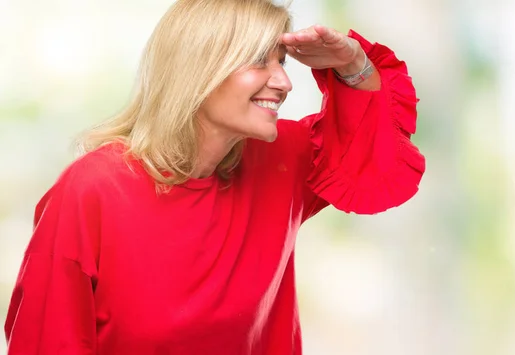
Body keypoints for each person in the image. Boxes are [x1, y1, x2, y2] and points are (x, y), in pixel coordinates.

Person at [4, 0, 425, 353]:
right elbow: (44, 342)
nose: (283, 82)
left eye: (281, 62)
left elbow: (374, 159)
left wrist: (354, 65)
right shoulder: (93, 189)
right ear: (200, 68)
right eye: (260, 61)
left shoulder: (281, 159)